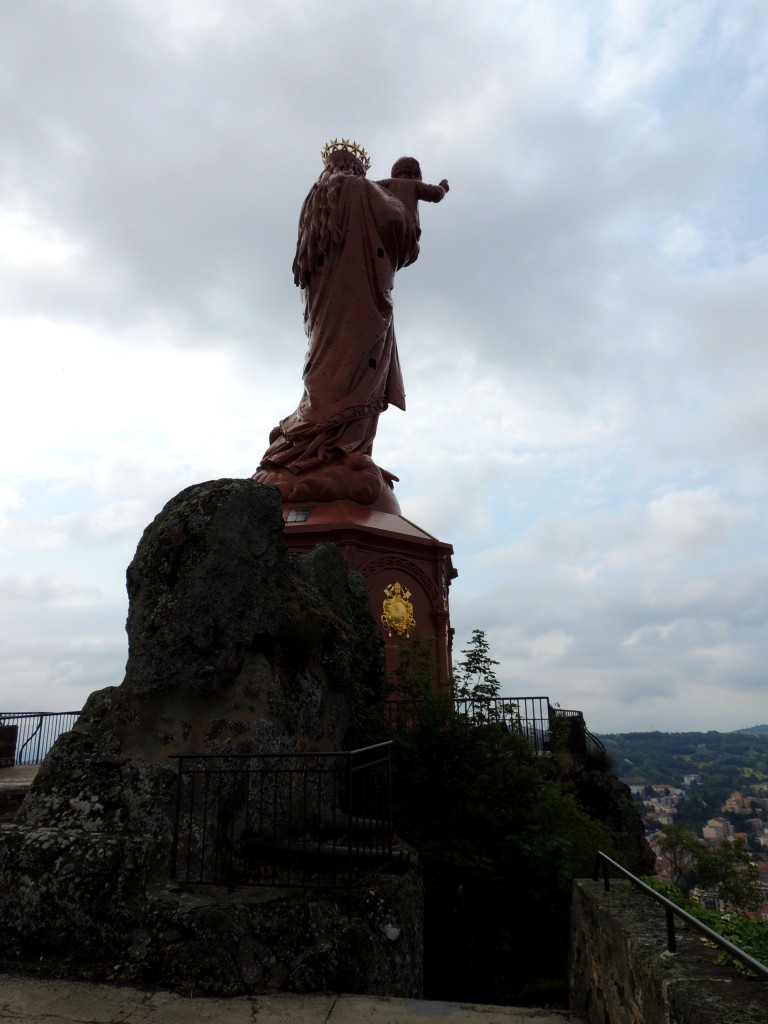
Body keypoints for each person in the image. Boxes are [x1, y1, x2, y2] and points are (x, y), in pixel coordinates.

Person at [253, 143, 449, 508]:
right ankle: (339, 447)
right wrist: (409, 192)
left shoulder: (315, 200)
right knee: (356, 367)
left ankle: (310, 443)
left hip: (324, 305)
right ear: (358, 166)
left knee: (328, 366)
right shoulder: (362, 190)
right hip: (360, 301)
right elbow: (400, 234)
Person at [376, 156, 449, 259]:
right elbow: (436, 193)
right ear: (415, 173)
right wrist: (443, 187)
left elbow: (368, 187)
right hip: (408, 230)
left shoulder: (386, 183)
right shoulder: (415, 184)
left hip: (386, 227)